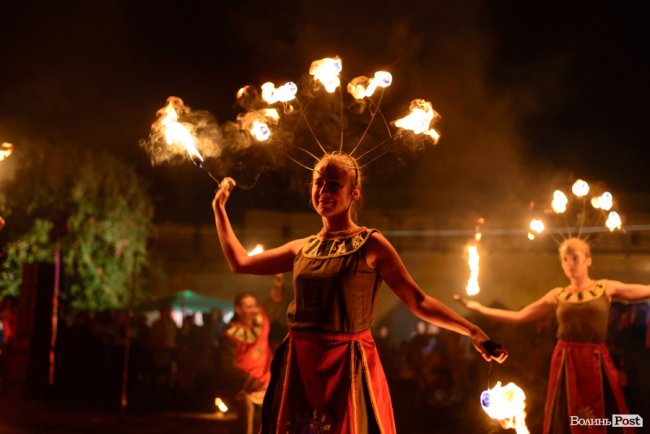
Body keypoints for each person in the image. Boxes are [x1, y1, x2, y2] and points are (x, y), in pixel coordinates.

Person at [212, 152, 507, 434]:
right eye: (319, 183)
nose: (324, 191)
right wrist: (219, 210)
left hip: (345, 366)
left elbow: (418, 301)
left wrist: (472, 331)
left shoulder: (371, 244)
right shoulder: (301, 247)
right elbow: (241, 263)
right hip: (300, 364)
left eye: (334, 185)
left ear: (354, 192)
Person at [455, 237, 650, 434]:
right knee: (568, 415)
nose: (570, 263)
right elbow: (520, 316)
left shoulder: (605, 287)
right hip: (567, 361)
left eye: (575, 257)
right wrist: (480, 309)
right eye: (565, 259)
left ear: (588, 259)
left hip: (596, 360)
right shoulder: (558, 294)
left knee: (606, 414)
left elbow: (645, 290)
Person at [220, 275, 284, 434]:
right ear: (238, 310)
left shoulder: (261, 319)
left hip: (267, 385)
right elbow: (228, 367)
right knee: (247, 428)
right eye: (248, 307)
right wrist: (250, 382)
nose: (253, 310)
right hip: (246, 390)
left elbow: (273, 303)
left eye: (254, 306)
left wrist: (277, 284)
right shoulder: (229, 336)